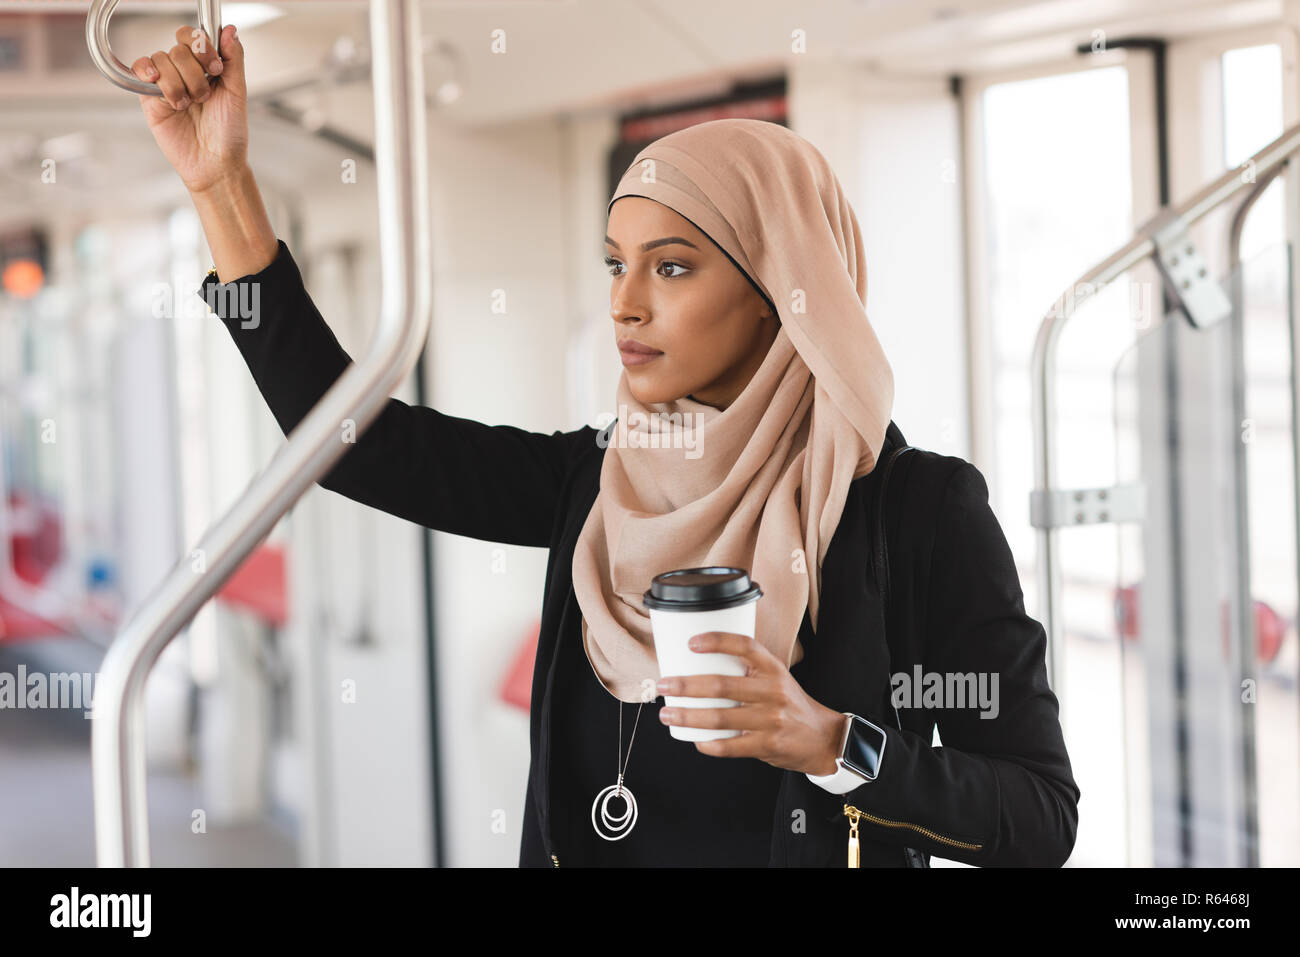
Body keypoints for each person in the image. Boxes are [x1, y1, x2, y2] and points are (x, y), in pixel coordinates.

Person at [134, 24, 1079, 867]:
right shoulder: (595, 480)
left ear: (780, 288)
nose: (626, 301)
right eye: (616, 264)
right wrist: (222, 187)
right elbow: (346, 440)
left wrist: (832, 741)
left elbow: (1040, 816)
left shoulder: (911, 511)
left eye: (672, 266)